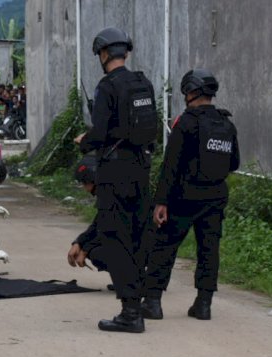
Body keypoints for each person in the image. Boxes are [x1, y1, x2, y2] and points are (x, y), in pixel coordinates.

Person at [74, 27, 158, 333]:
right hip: (141, 170)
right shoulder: (143, 83)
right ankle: (139, 301)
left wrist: (85, 141)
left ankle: (130, 312)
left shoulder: (107, 87)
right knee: (136, 237)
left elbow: (100, 131)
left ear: (104, 53)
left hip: (115, 173)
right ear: (126, 52)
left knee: (115, 240)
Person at [145, 69, 240, 321]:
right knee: (209, 249)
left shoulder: (186, 122)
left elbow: (170, 165)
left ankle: (153, 301)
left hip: (184, 196)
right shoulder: (226, 124)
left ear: (191, 92)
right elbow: (234, 163)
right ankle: (204, 304)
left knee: (164, 246)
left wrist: (160, 201)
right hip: (216, 196)